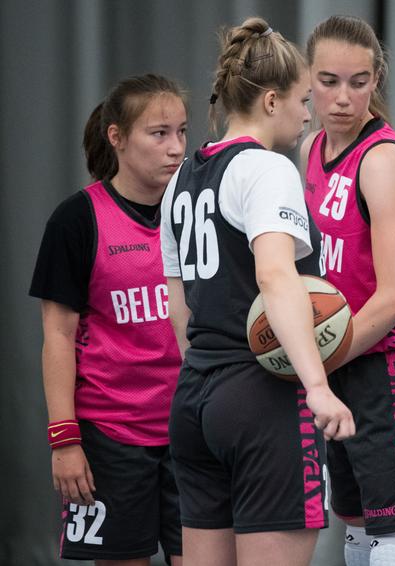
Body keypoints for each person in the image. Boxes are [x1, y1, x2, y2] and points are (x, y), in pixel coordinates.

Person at [160, 17, 355, 566]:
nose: (307, 112)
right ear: (271, 101)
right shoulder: (267, 169)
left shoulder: (182, 177)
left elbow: (180, 301)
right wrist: (316, 385)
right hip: (259, 399)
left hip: (196, 398)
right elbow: (275, 276)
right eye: (300, 99)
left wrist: (203, 374)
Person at [300, 15, 395, 566]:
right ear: (306, 80)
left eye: (358, 81)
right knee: (357, 519)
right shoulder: (311, 149)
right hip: (341, 361)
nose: (343, 97)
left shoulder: (380, 161)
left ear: (377, 79)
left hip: (391, 364)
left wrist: (312, 359)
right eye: (329, 80)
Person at [30, 74, 187, 565]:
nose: (176, 148)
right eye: (158, 133)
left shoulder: (193, 212)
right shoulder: (76, 220)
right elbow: (57, 335)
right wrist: (65, 441)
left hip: (191, 431)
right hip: (111, 437)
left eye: (182, 131)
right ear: (116, 137)